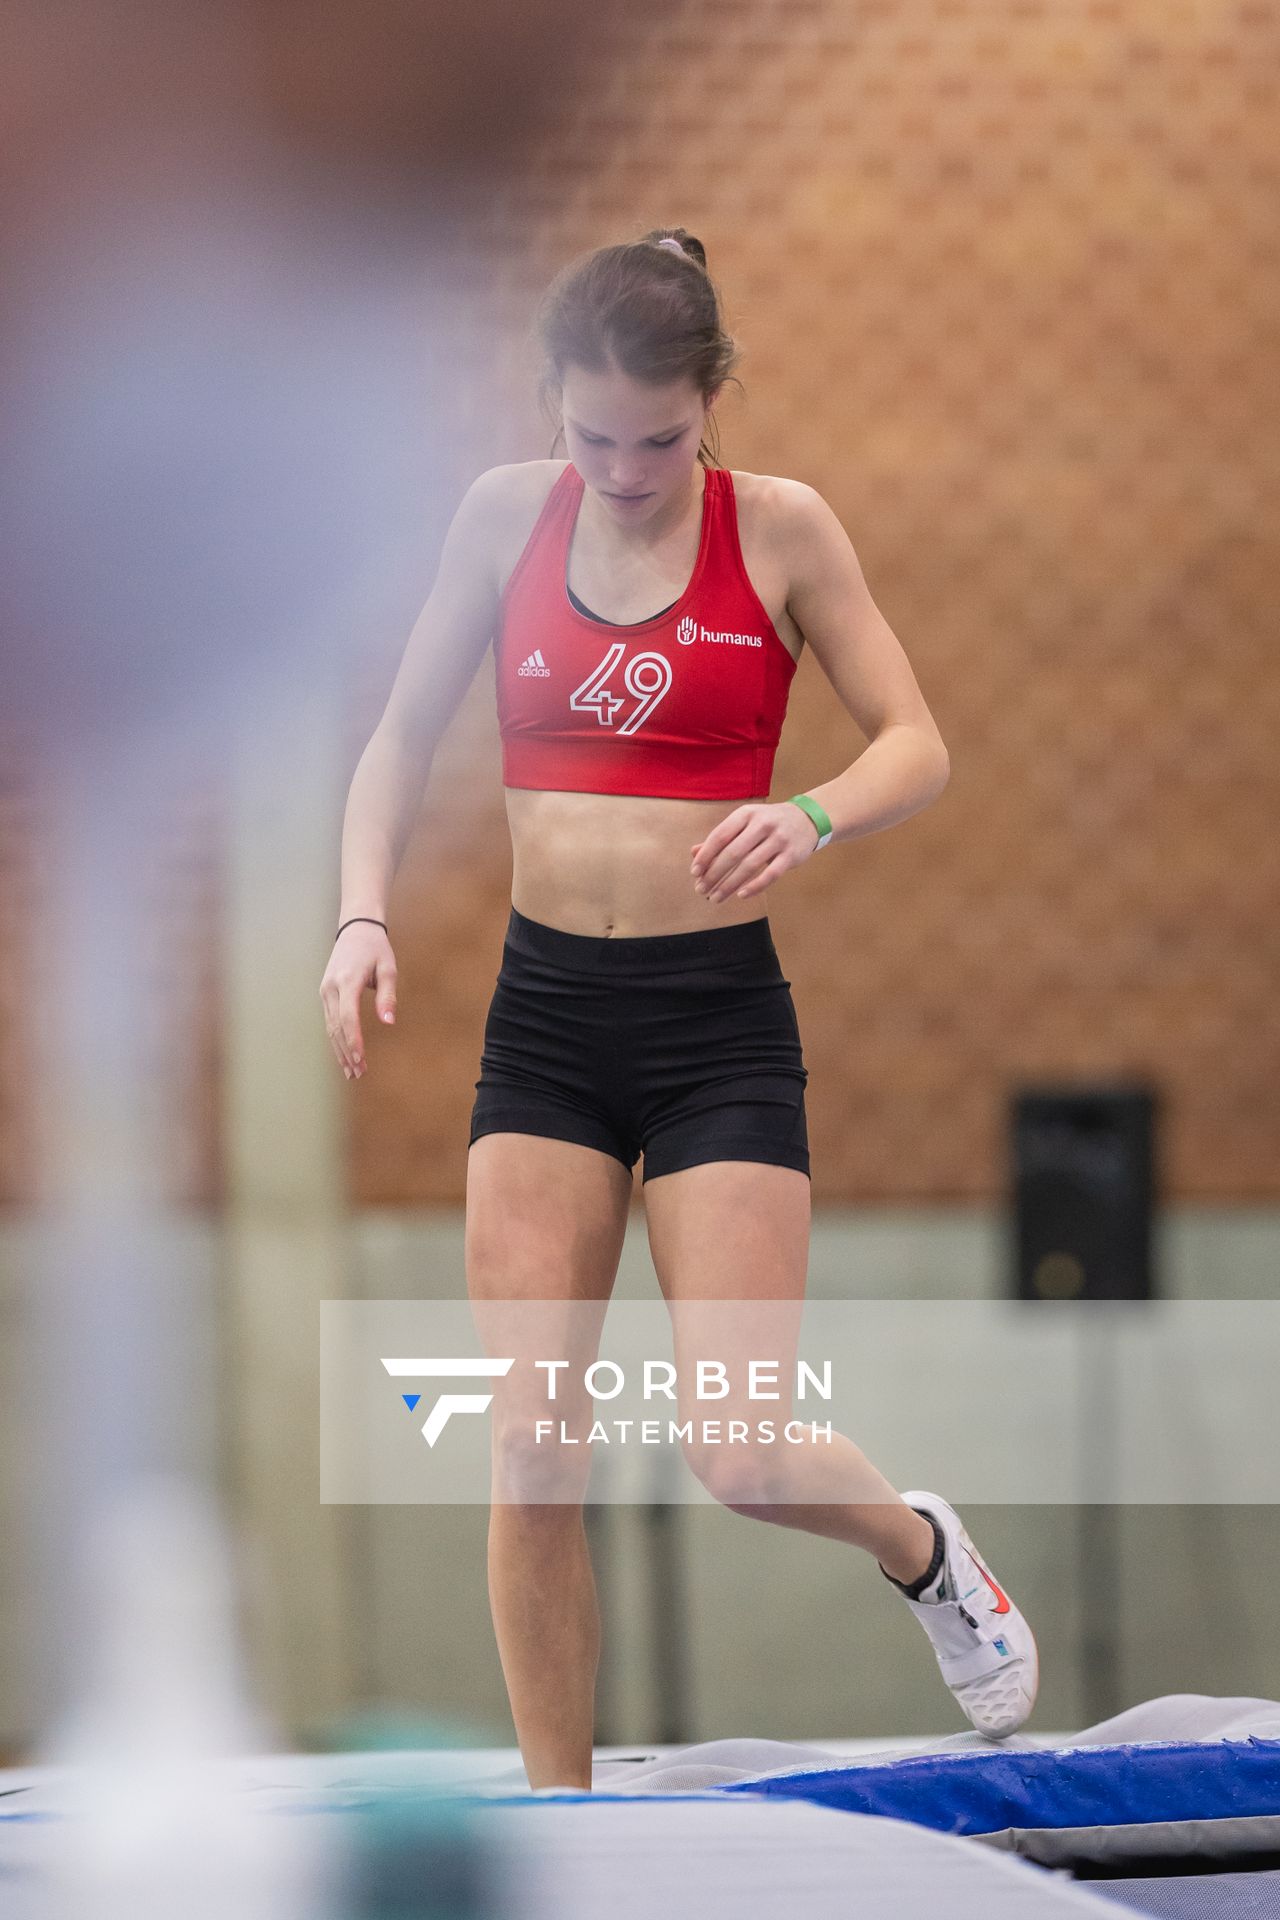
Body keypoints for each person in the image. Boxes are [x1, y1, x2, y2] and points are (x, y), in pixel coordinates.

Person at [319, 227, 1038, 1789]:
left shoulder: (781, 533)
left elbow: (915, 738)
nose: (628, 468)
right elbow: (395, 743)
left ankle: (922, 1549)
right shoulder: (501, 518)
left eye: (662, 437)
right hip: (548, 1024)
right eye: (594, 437)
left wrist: (819, 813)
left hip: (716, 1024)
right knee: (527, 1449)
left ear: (714, 399)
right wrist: (360, 913)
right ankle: (563, 1814)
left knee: (739, 1450)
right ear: (549, 404)